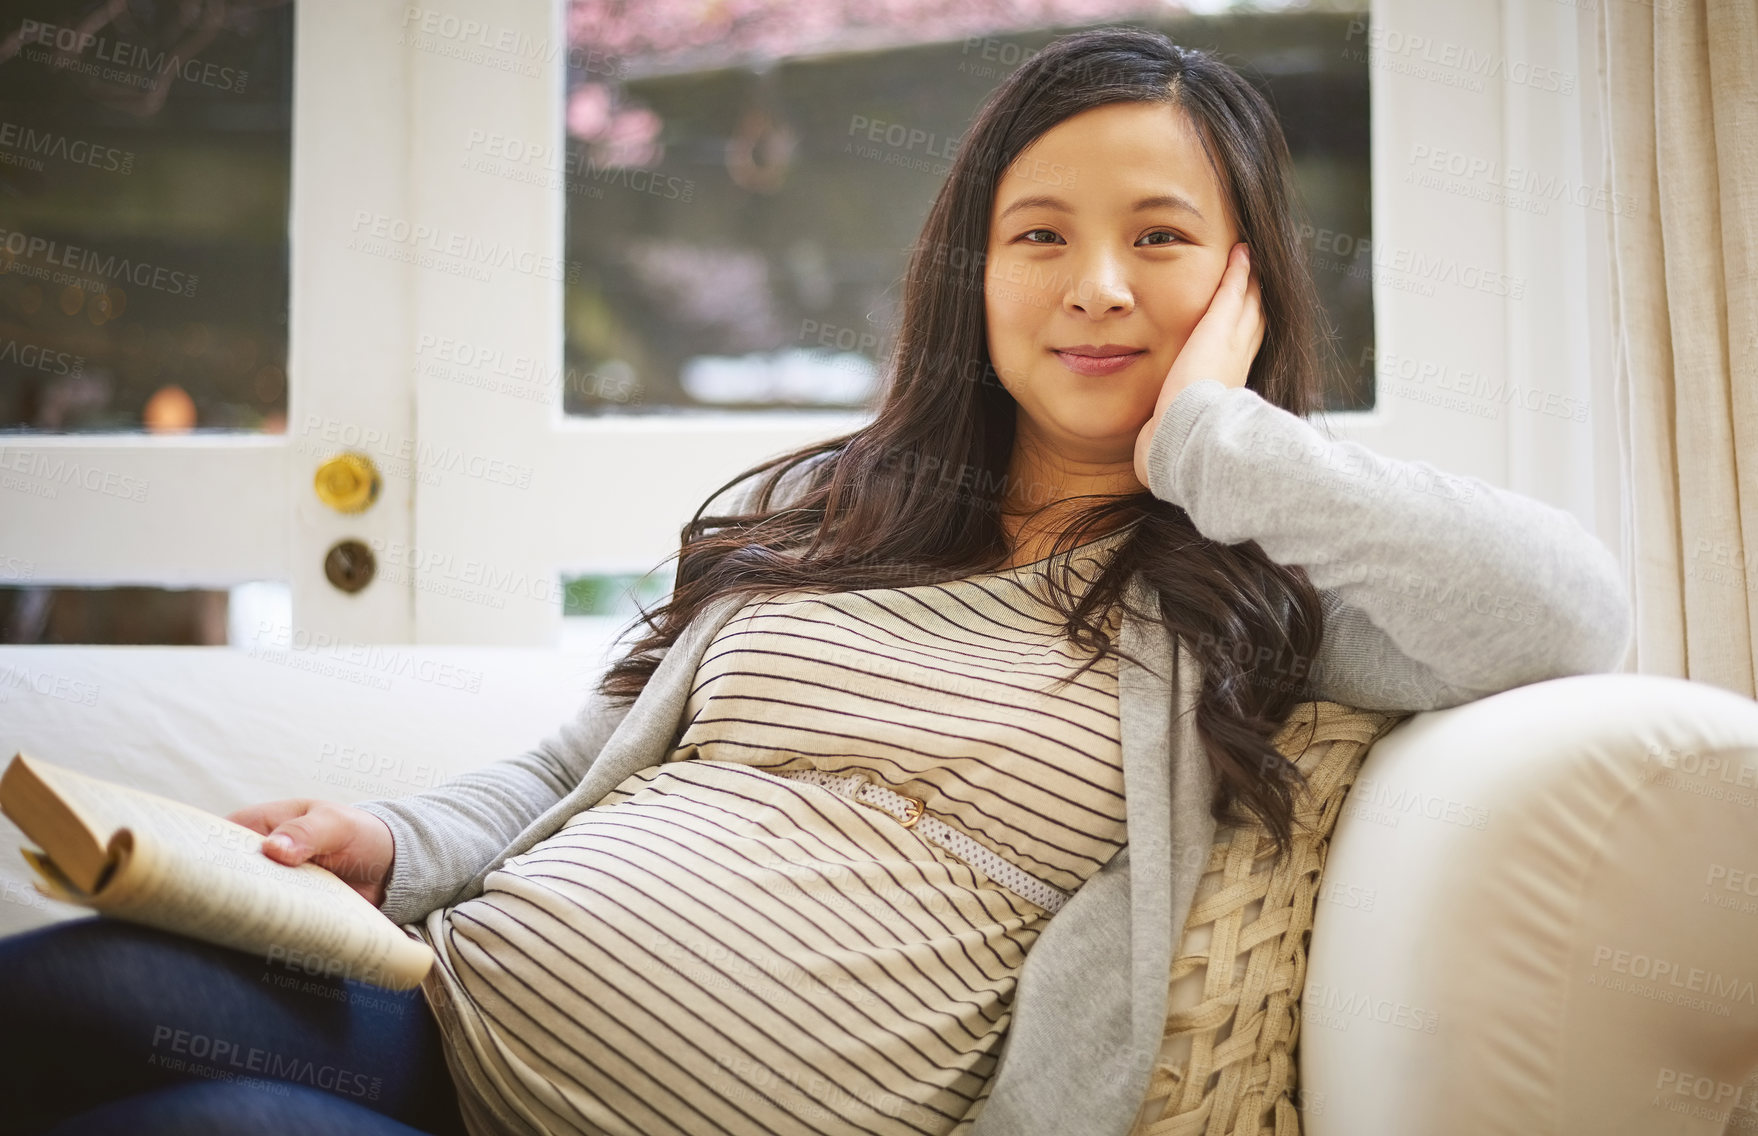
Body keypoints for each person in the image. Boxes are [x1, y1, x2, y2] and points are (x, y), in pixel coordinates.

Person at [0, 24, 1632, 1136]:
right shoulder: (833, 509)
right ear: (974, 275)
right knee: (77, 998)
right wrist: (396, 840)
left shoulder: (1260, 591)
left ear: (1246, 282)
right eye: (1040, 235)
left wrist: (1213, 436)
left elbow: (1564, 616)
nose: (1096, 286)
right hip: (450, 1027)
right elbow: (580, 762)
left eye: (1161, 237)